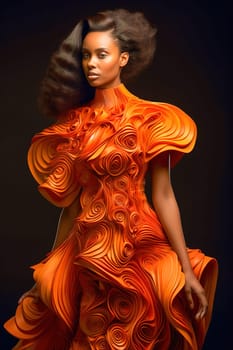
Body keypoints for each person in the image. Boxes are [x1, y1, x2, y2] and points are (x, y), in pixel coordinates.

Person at [4, 8, 218, 350]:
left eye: (101, 55)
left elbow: (163, 195)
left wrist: (186, 270)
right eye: (86, 55)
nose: (91, 63)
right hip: (89, 253)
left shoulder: (151, 119)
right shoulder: (74, 123)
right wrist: (49, 272)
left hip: (139, 247)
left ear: (123, 58)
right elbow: (72, 210)